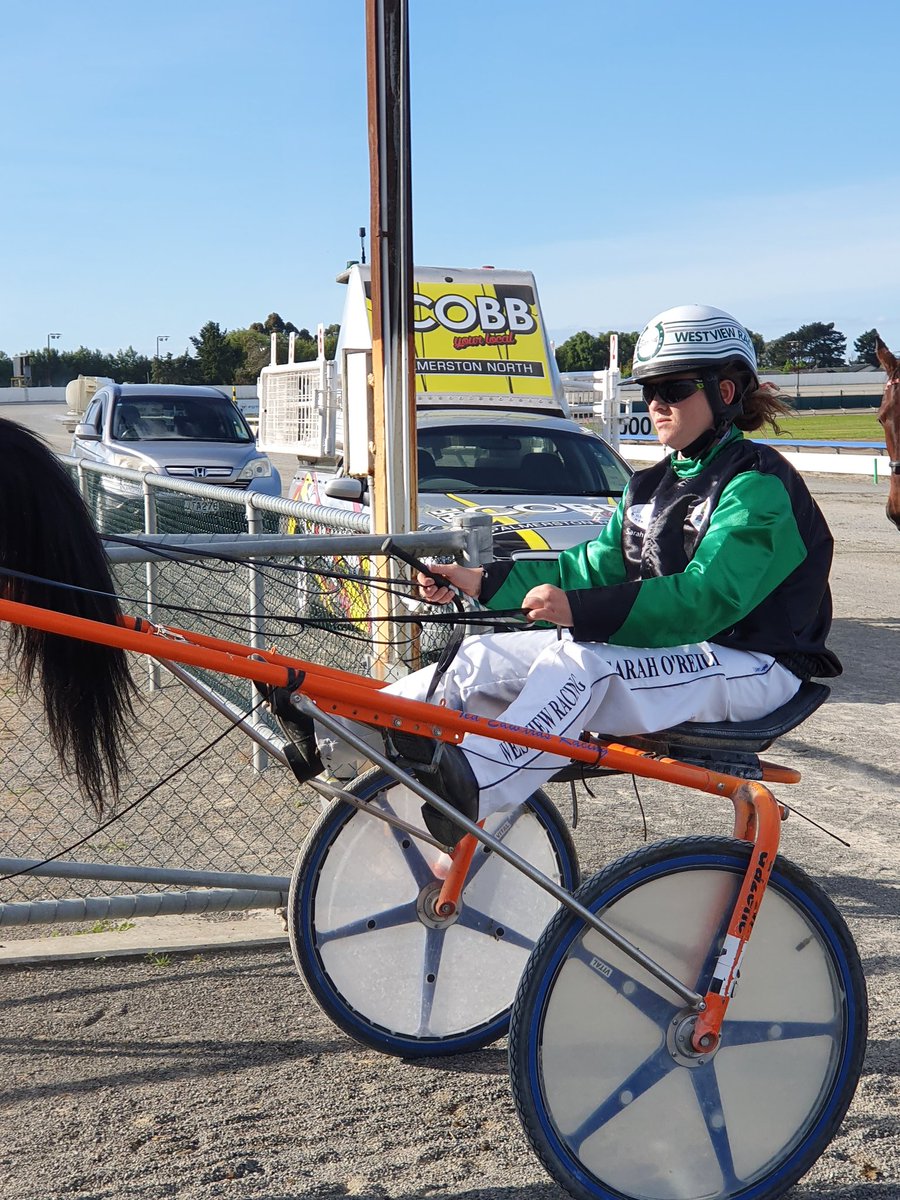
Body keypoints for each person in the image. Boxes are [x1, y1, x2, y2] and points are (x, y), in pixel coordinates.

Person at [313, 304, 842, 846]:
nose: (656, 404)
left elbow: (709, 598)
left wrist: (583, 612)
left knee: (580, 664)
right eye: (647, 391)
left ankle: (470, 790)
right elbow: (588, 567)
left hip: (757, 663)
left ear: (725, 393)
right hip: (688, 655)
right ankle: (346, 732)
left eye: (673, 389)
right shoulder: (648, 486)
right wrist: (482, 581)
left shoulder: (758, 483)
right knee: (481, 657)